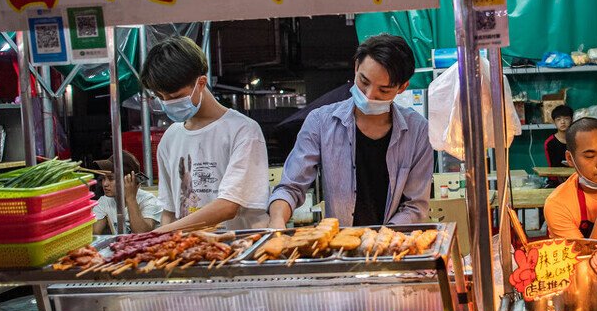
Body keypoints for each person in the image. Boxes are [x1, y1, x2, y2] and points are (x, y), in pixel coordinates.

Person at [267, 34, 434, 228]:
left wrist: (380, 241)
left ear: (402, 87)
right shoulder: (320, 122)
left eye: (384, 90)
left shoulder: (418, 132)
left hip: (391, 247)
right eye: (364, 81)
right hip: (340, 250)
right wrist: (277, 219)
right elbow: (291, 186)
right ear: (356, 67)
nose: (369, 95)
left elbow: (414, 206)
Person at [142, 36, 271, 232]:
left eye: (175, 97)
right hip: (189, 254)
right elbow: (169, 211)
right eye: (161, 97)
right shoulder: (169, 139)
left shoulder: (243, 130)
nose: (167, 103)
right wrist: (163, 241)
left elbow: (228, 206)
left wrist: (162, 232)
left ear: (201, 83)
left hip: (239, 249)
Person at [92, 151, 163, 235]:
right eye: (103, 178)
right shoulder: (104, 201)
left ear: (130, 179)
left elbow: (141, 233)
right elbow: (94, 233)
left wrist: (130, 198)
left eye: (111, 178)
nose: (105, 184)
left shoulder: (149, 200)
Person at [543, 104, 573, 168]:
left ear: (571, 120)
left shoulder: (577, 140)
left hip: (576, 176)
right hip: (557, 176)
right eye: (558, 119)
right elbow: (552, 167)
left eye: (566, 118)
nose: (562, 122)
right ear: (554, 122)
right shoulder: (549, 143)